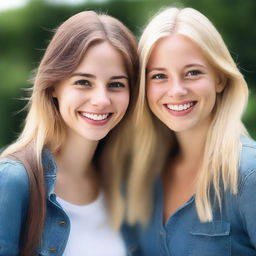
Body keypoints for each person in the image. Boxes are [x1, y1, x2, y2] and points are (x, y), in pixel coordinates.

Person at [0, 10, 138, 256]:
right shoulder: (14, 180)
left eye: (116, 84)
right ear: (54, 86)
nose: (101, 100)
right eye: (83, 82)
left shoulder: (128, 184)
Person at [122, 7, 256, 256]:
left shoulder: (249, 174)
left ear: (219, 78)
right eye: (159, 76)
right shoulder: (138, 176)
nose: (177, 90)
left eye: (193, 72)